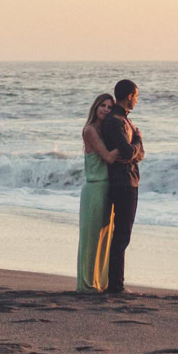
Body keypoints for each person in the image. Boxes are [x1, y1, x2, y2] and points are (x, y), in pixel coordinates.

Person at [92, 78, 144, 294]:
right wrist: (139, 140)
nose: (137, 100)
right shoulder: (116, 121)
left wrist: (136, 150)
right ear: (130, 96)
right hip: (123, 182)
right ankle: (116, 285)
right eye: (137, 96)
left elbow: (138, 154)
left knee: (123, 234)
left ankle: (115, 282)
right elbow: (129, 151)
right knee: (121, 235)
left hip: (129, 180)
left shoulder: (124, 120)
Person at [76, 93, 117, 292]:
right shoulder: (90, 130)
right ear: (96, 106)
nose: (106, 110)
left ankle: (100, 283)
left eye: (110, 107)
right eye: (103, 105)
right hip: (94, 189)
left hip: (107, 189)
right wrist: (130, 145)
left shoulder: (106, 130)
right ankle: (86, 284)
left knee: (104, 238)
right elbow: (109, 158)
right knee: (90, 238)